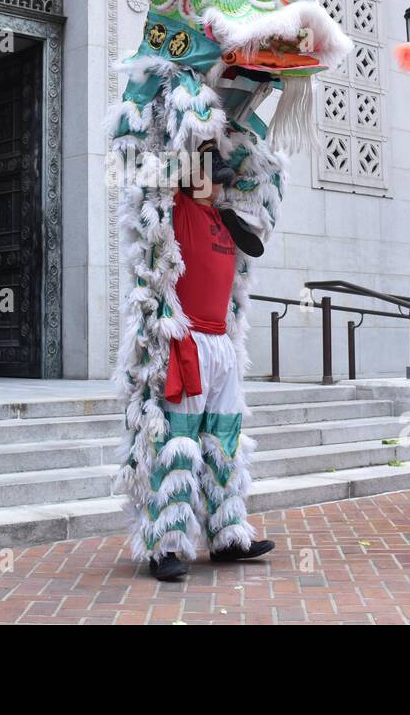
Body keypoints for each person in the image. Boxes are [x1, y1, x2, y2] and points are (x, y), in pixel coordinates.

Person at [143, 157, 274, 582]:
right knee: (178, 443)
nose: (218, 184)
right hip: (188, 343)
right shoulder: (176, 208)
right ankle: (165, 546)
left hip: (222, 344)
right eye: (209, 176)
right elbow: (149, 172)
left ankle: (227, 536)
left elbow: (262, 205)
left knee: (226, 441)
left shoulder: (227, 218)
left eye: (221, 179)